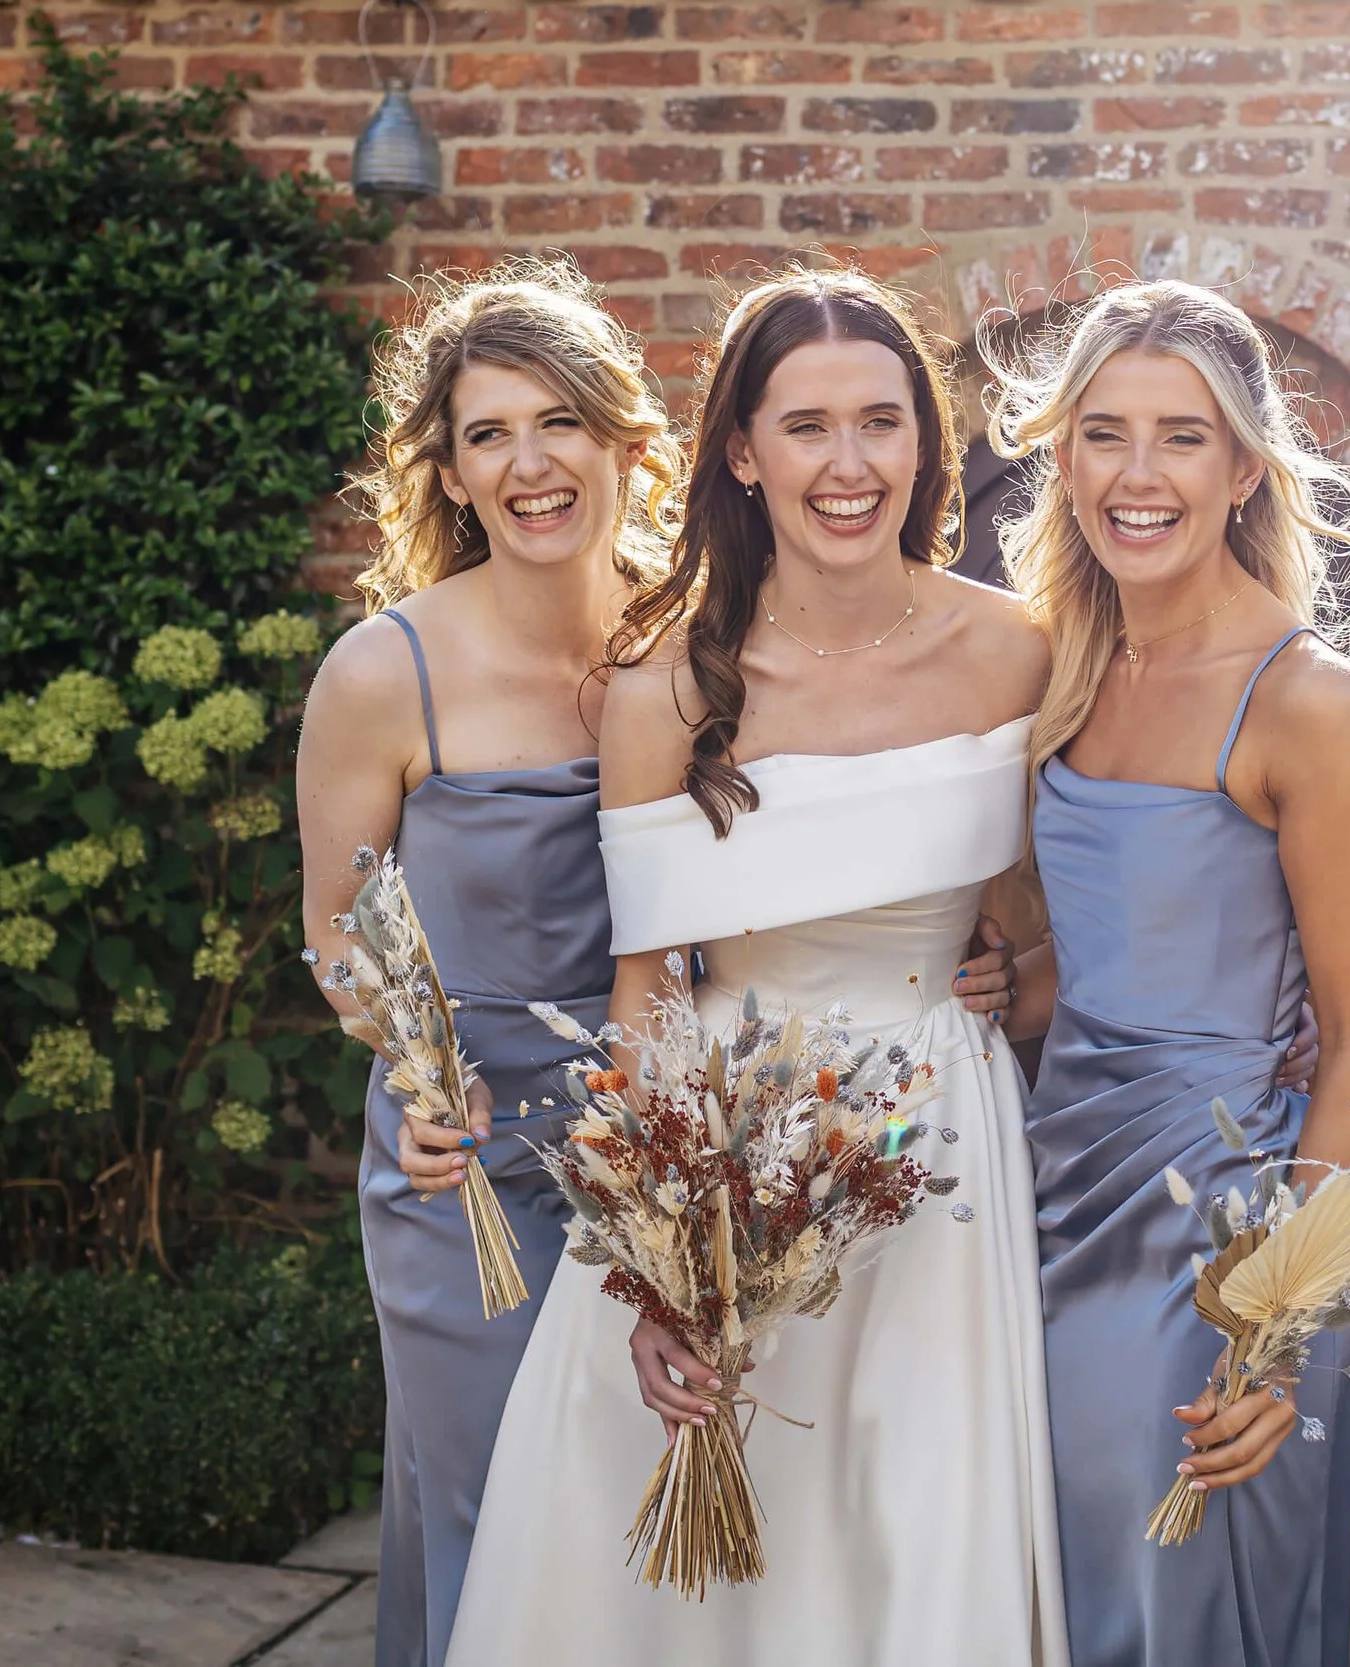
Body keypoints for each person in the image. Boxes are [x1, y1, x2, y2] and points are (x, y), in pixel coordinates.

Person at [450, 269, 1068, 1664]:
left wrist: (1006, 973)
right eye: (806, 427)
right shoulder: (666, 686)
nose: (849, 466)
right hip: (727, 1152)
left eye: (881, 422)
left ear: (925, 442)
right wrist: (655, 1267)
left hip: (943, 1155)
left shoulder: (1020, 654)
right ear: (742, 449)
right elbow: (647, 995)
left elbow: (1040, 941)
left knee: (909, 1529)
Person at [990, 280, 1350, 1667]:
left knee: (1174, 1584)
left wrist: (1277, 1324)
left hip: (1221, 1223)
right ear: (1064, 460)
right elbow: (1077, 965)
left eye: (1182, 436)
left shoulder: (1308, 702)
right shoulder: (1056, 675)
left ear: (1243, 470)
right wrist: (1008, 982)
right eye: (1104, 434)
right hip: (1051, 1182)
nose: (1138, 474)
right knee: (1051, 1566)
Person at [294, 263, 678, 1667]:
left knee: (637, 1519)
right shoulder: (383, 673)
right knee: (490, 1508)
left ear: (620, 440)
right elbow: (338, 933)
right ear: (449, 473)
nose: (531, 462)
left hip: (652, 1137)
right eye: (489, 433)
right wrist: (408, 1062)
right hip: (461, 1171)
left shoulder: (686, 643)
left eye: (560, 420)